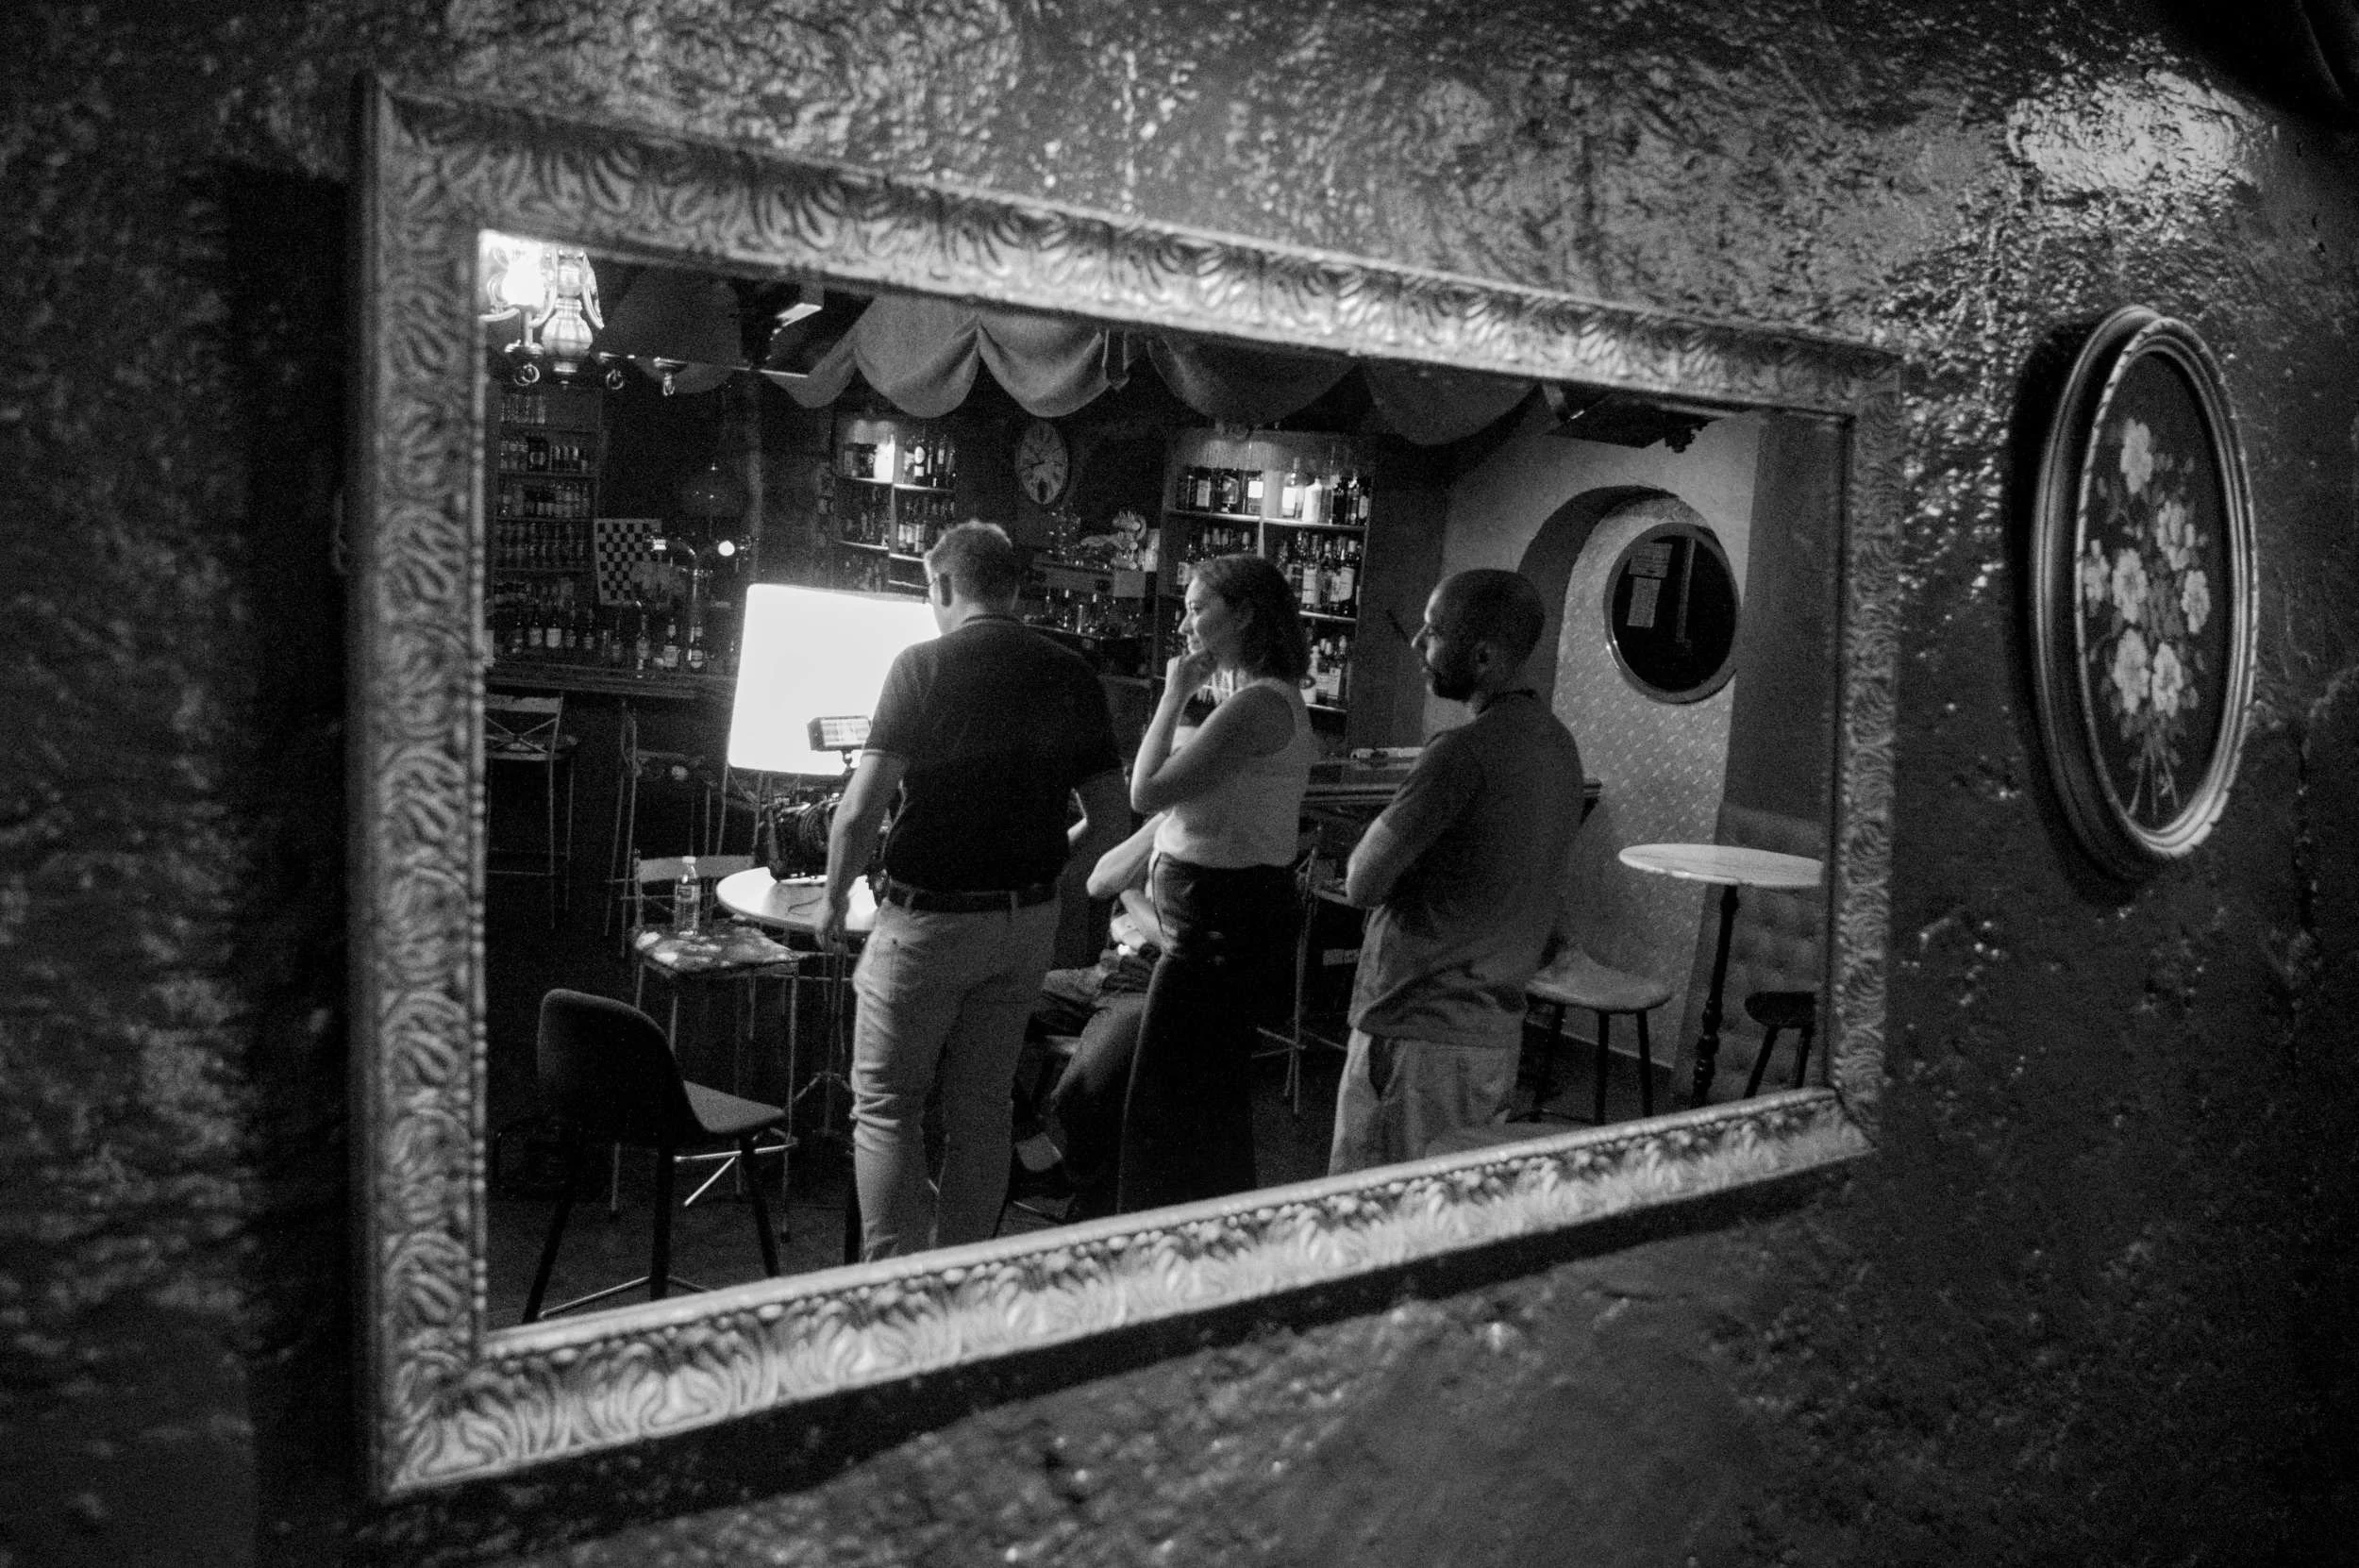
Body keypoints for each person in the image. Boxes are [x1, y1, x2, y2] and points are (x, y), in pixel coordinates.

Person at [822, 521, 1129, 1259]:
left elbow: (861, 809)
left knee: (889, 1109)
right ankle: (962, 1283)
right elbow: (1113, 819)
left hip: (928, 919)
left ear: (944, 585)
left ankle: (894, 1289)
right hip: (1026, 926)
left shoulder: (921, 665)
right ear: (1014, 588)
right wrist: (1042, 873)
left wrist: (834, 900)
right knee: (984, 1111)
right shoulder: (1072, 672)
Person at [1327, 569, 1583, 1175]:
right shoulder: (1559, 745)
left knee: (1368, 1222)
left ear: (1485, 657)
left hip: (1418, 1032)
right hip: (1492, 1038)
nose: (1417, 642)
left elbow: (1363, 881)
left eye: (1434, 631)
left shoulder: (1460, 753)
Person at [1115, 555, 1314, 1213]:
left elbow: (1144, 792)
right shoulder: (1258, 698)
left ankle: (1161, 1253)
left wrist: (1173, 694)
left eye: (1199, 607)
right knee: (1203, 1102)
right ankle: (1209, 1247)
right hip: (1218, 924)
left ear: (1245, 613)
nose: (1187, 620)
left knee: (1166, 1106)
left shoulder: (1256, 704)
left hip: (1216, 933)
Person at [1011, 812, 1169, 1222]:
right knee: (974, 1013)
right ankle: (1035, 1153)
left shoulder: (1212, 839)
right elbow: (1099, 881)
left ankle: (1094, 1207)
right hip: (1105, 970)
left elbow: (1172, 939)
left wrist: (1131, 893)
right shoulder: (1163, 822)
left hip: (1150, 982)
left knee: (1080, 1095)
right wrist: (1161, 819)